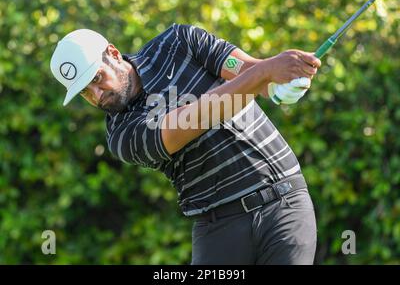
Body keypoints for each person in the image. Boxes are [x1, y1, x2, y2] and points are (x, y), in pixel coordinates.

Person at [50, 24, 321, 264]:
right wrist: (265, 72)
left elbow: (252, 74)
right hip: (219, 228)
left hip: (285, 203)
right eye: (85, 92)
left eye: (96, 78)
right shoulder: (122, 134)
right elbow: (199, 117)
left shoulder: (179, 42)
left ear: (113, 53)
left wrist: (281, 82)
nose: (97, 96)